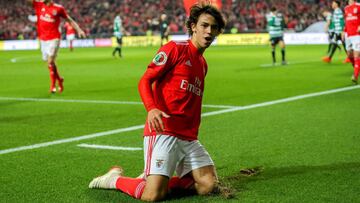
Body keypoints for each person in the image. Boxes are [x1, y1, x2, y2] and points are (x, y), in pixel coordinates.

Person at [89, 3, 226, 201]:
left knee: (208, 185)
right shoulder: (175, 49)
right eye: (204, 25)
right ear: (193, 26)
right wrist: (152, 108)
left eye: (214, 28)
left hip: (188, 138)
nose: (209, 31)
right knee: (152, 196)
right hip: (164, 131)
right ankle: (114, 180)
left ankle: (153, 178)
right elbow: (145, 80)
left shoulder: (203, 65)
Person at [27, 0, 86, 93]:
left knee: (50, 61)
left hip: (54, 38)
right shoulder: (39, 5)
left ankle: (53, 85)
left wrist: (79, 30)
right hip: (43, 39)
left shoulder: (58, 8)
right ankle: (59, 80)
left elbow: (69, 20)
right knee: (50, 63)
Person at [344, 0, 360, 84]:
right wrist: (344, 31)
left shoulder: (358, 6)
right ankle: (357, 68)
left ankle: (355, 75)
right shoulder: (346, 8)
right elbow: (346, 20)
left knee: (356, 55)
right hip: (348, 34)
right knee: (349, 54)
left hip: (357, 34)